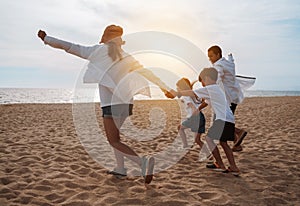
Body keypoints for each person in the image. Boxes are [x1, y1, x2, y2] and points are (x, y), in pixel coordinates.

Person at [37, 25, 174, 184]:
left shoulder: (96, 52)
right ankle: (120, 169)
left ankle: (142, 163)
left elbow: (68, 46)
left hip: (111, 104)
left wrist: (46, 39)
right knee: (117, 138)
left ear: (104, 37)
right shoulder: (127, 56)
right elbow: (147, 72)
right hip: (126, 103)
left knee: (113, 141)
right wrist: (165, 88)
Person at [168, 67, 240, 175]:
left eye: (202, 81)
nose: (202, 84)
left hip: (222, 119)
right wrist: (198, 109)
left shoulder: (211, 88)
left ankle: (220, 164)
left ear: (207, 78)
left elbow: (192, 93)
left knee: (209, 139)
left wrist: (178, 93)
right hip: (229, 119)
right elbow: (205, 102)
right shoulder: (216, 89)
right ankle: (233, 167)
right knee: (223, 143)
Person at [207, 45, 247, 152]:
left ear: (218, 54)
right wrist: (230, 57)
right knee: (224, 123)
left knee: (220, 125)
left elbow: (217, 78)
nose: (210, 59)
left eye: (211, 56)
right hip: (234, 98)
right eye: (208, 57)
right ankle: (236, 143)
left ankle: (238, 132)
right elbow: (231, 60)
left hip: (227, 100)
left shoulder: (218, 65)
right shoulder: (228, 63)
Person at [176, 78, 212, 161]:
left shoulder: (185, 96)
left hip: (195, 117)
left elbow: (191, 105)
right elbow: (199, 101)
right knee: (197, 140)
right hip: (201, 117)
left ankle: (185, 145)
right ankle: (209, 155)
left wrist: (193, 113)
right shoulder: (193, 94)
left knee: (180, 128)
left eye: (178, 87)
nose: (177, 89)